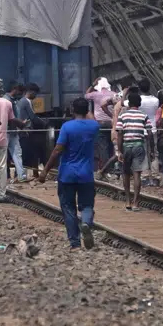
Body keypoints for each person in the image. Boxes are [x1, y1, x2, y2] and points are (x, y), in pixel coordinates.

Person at [38, 97, 98, 250]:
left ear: (72, 110)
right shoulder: (93, 126)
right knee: (87, 205)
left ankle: (75, 243)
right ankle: (85, 223)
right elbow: (91, 118)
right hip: (86, 174)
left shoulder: (67, 127)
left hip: (67, 174)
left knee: (68, 208)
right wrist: (87, 111)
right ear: (87, 111)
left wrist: (45, 170)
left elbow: (57, 150)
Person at [113, 93, 151, 211]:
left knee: (125, 173)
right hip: (139, 146)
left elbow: (119, 133)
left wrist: (119, 151)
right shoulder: (144, 115)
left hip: (126, 146)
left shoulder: (123, 115)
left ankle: (128, 202)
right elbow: (149, 133)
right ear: (139, 103)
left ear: (129, 103)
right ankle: (136, 203)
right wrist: (151, 150)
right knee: (137, 175)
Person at [85, 78, 115, 175]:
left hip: (100, 123)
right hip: (111, 123)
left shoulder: (95, 94)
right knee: (112, 147)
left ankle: (105, 170)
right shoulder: (114, 94)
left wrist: (92, 85)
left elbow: (85, 96)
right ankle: (111, 168)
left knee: (103, 147)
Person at [16, 83, 45, 179]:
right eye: (35, 93)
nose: (36, 96)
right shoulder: (26, 101)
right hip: (26, 131)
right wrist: (44, 122)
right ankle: (22, 175)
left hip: (22, 130)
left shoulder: (21, 101)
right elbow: (33, 117)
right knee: (29, 153)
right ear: (31, 92)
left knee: (25, 153)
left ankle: (23, 174)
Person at [3, 82, 27, 183]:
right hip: (7, 130)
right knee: (5, 155)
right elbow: (10, 117)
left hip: (12, 131)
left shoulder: (12, 100)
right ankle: (5, 177)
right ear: (15, 89)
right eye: (20, 91)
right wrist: (21, 123)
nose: (20, 94)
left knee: (16, 153)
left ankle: (21, 175)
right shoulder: (7, 100)